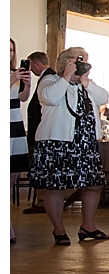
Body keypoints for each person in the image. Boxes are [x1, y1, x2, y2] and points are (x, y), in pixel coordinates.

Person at [30, 47, 109, 245]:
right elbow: (50, 98)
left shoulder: (87, 85)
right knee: (55, 187)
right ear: (65, 62)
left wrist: (85, 81)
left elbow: (103, 98)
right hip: (56, 142)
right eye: (77, 60)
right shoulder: (50, 81)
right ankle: (59, 230)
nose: (81, 64)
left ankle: (88, 226)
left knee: (94, 184)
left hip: (85, 143)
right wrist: (66, 77)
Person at [22, 50, 56, 213]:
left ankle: (42, 201)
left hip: (41, 131)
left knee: (40, 166)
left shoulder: (49, 78)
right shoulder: (46, 78)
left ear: (36, 63)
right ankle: (40, 200)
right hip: (37, 130)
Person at [10, 40, 31, 234]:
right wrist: (11, 78)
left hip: (15, 126)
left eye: (11, 50)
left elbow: (23, 98)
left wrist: (26, 84)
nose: (9, 54)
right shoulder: (10, 76)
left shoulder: (15, 74)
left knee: (12, 176)